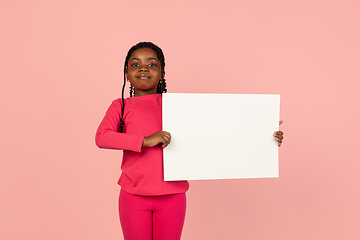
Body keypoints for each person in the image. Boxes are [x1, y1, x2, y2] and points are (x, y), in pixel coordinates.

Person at [95, 42, 284, 240]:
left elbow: (217, 129)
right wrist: (145, 140)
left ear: (162, 73)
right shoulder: (121, 106)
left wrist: (263, 133)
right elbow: (102, 137)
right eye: (135, 65)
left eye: (152, 64)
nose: (143, 68)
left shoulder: (178, 106)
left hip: (172, 196)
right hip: (132, 196)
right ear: (126, 73)